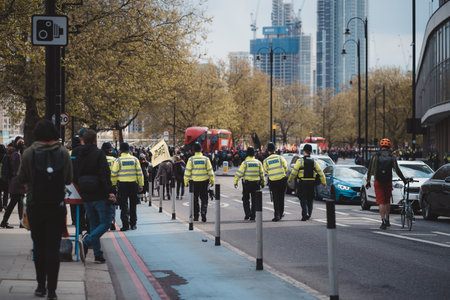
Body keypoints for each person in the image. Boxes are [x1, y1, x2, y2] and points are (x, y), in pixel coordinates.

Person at [17, 119, 72, 299]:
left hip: (35, 205)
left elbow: (21, 177)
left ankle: (40, 286)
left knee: (39, 247)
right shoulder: (63, 152)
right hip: (57, 206)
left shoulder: (29, 152)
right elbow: (68, 179)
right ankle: (52, 291)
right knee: (53, 248)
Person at [72, 129, 116, 264]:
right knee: (106, 222)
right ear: (95, 140)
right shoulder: (98, 153)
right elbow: (104, 174)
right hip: (99, 193)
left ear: (82, 140)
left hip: (85, 193)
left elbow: (75, 173)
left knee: (94, 224)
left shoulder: (76, 153)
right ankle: (87, 242)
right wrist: (110, 191)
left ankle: (98, 255)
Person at [366, 138, 408, 230]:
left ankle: (383, 221)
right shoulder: (392, 156)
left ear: (380, 146)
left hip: (378, 181)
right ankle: (388, 219)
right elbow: (397, 170)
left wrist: (368, 181)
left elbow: (370, 169)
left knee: (381, 202)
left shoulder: (375, 156)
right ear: (389, 146)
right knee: (387, 201)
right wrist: (404, 180)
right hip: (388, 181)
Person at [288, 144, 326, 221]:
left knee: (303, 199)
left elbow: (294, 172)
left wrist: (290, 179)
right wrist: (324, 182)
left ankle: (305, 214)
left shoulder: (300, 161)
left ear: (304, 151)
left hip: (303, 182)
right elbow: (321, 173)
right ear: (310, 152)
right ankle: (309, 214)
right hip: (312, 183)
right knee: (310, 199)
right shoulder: (314, 162)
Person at [111, 142, 144, 231]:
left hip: (122, 185)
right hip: (133, 184)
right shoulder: (135, 160)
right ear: (129, 150)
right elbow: (140, 173)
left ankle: (125, 225)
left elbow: (114, 174)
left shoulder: (118, 160)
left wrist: (113, 184)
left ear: (121, 150)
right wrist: (141, 185)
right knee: (133, 205)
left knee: (124, 205)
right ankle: (133, 224)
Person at [183, 142, 214, 222]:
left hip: (194, 182)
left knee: (195, 199)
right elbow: (210, 171)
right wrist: (212, 180)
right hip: (204, 182)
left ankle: (196, 216)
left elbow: (187, 172)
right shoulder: (206, 159)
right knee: (204, 198)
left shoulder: (191, 159)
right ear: (201, 150)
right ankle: (203, 211)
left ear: (193, 150)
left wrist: (185, 182)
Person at [1, 136, 26, 228]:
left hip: (17, 182)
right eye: (20, 142)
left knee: (19, 203)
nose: (22, 143)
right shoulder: (17, 155)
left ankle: (20, 222)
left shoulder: (17, 153)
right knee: (15, 203)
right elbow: (17, 170)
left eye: (23, 141)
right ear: (16, 143)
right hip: (18, 182)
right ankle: (5, 221)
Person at [234, 146, 264, 220]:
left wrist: (236, 181)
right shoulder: (258, 163)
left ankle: (247, 213)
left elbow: (239, 173)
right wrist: (263, 182)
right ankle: (253, 215)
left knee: (245, 199)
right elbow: (262, 174)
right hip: (256, 183)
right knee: (254, 200)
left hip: (247, 184)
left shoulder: (245, 163)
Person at [263, 142, 288, 222]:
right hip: (282, 180)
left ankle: (276, 215)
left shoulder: (266, 161)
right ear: (275, 149)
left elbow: (266, 171)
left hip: (273, 181)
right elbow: (286, 167)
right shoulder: (280, 158)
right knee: (281, 197)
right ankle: (281, 213)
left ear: (268, 151)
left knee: (275, 198)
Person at [102, 142, 117, 231]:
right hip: (112, 184)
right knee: (112, 203)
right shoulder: (114, 160)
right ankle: (111, 220)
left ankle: (103, 222)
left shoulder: (100, 159)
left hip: (102, 184)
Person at [0, 144, 9, 211]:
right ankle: (5, 205)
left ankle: (0, 206)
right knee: (6, 191)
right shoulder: (6, 156)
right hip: (5, 176)